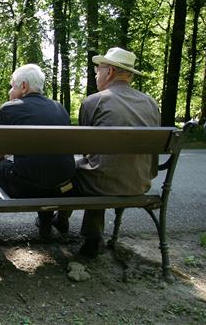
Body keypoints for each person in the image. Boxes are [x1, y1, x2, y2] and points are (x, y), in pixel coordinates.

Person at [61, 47, 160, 258]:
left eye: (98, 70)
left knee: (71, 170)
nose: (97, 74)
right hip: (140, 183)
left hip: (100, 183)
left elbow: (84, 148)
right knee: (101, 167)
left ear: (110, 72)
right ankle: (91, 234)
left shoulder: (94, 101)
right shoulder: (151, 103)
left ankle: (63, 221)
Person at [0, 64, 75, 238]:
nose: (10, 90)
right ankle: (45, 222)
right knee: (42, 169)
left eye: (12, 85)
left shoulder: (9, 108)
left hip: (26, 188)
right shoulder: (59, 107)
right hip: (61, 186)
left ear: (23, 86)